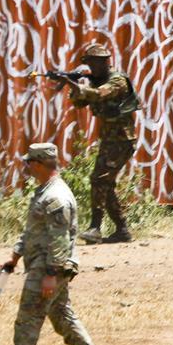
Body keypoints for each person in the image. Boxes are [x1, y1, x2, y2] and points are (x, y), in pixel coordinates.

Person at [0, 144, 103, 345]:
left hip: (49, 267)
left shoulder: (55, 197)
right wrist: (15, 256)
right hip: (43, 264)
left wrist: (50, 275)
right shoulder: (44, 192)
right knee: (62, 316)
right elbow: (34, 231)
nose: (26, 166)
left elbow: (58, 241)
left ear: (39, 163)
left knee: (28, 318)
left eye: (29, 162)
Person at [59, 43, 140, 245]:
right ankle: (122, 230)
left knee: (99, 179)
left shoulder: (117, 80)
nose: (93, 67)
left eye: (96, 63)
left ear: (106, 62)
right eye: (91, 64)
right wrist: (75, 88)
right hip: (109, 140)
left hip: (122, 140)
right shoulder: (94, 81)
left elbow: (102, 93)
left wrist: (80, 86)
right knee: (105, 183)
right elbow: (79, 103)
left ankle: (95, 227)